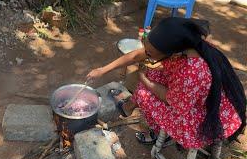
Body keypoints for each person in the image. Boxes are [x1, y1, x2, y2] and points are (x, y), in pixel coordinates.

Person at [86, 17, 246, 148]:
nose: (146, 54)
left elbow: (171, 99)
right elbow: (136, 56)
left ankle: (160, 134)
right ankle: (128, 108)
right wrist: (102, 70)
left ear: (174, 55)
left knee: (143, 92)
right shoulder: (188, 44)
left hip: (201, 119)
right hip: (200, 99)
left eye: (150, 53)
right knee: (154, 73)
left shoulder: (191, 73)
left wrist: (145, 81)